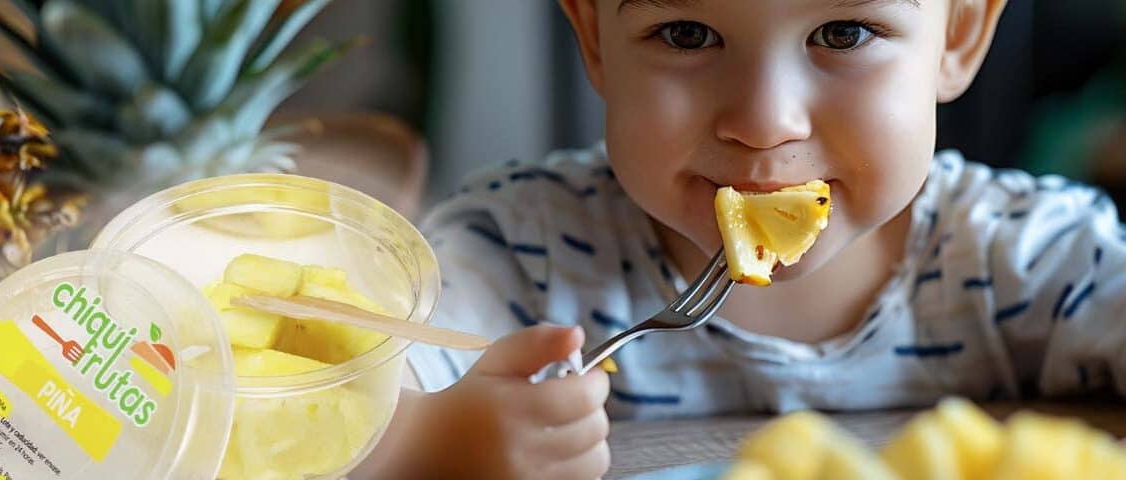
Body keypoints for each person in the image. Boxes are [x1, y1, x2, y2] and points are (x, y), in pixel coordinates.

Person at [353, 1, 1125, 478]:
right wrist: (420, 443)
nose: (764, 121)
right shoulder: (519, 252)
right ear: (593, 37)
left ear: (956, 34)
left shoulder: (1030, 255)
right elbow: (326, 389)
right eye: (687, 33)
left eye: (844, 31)